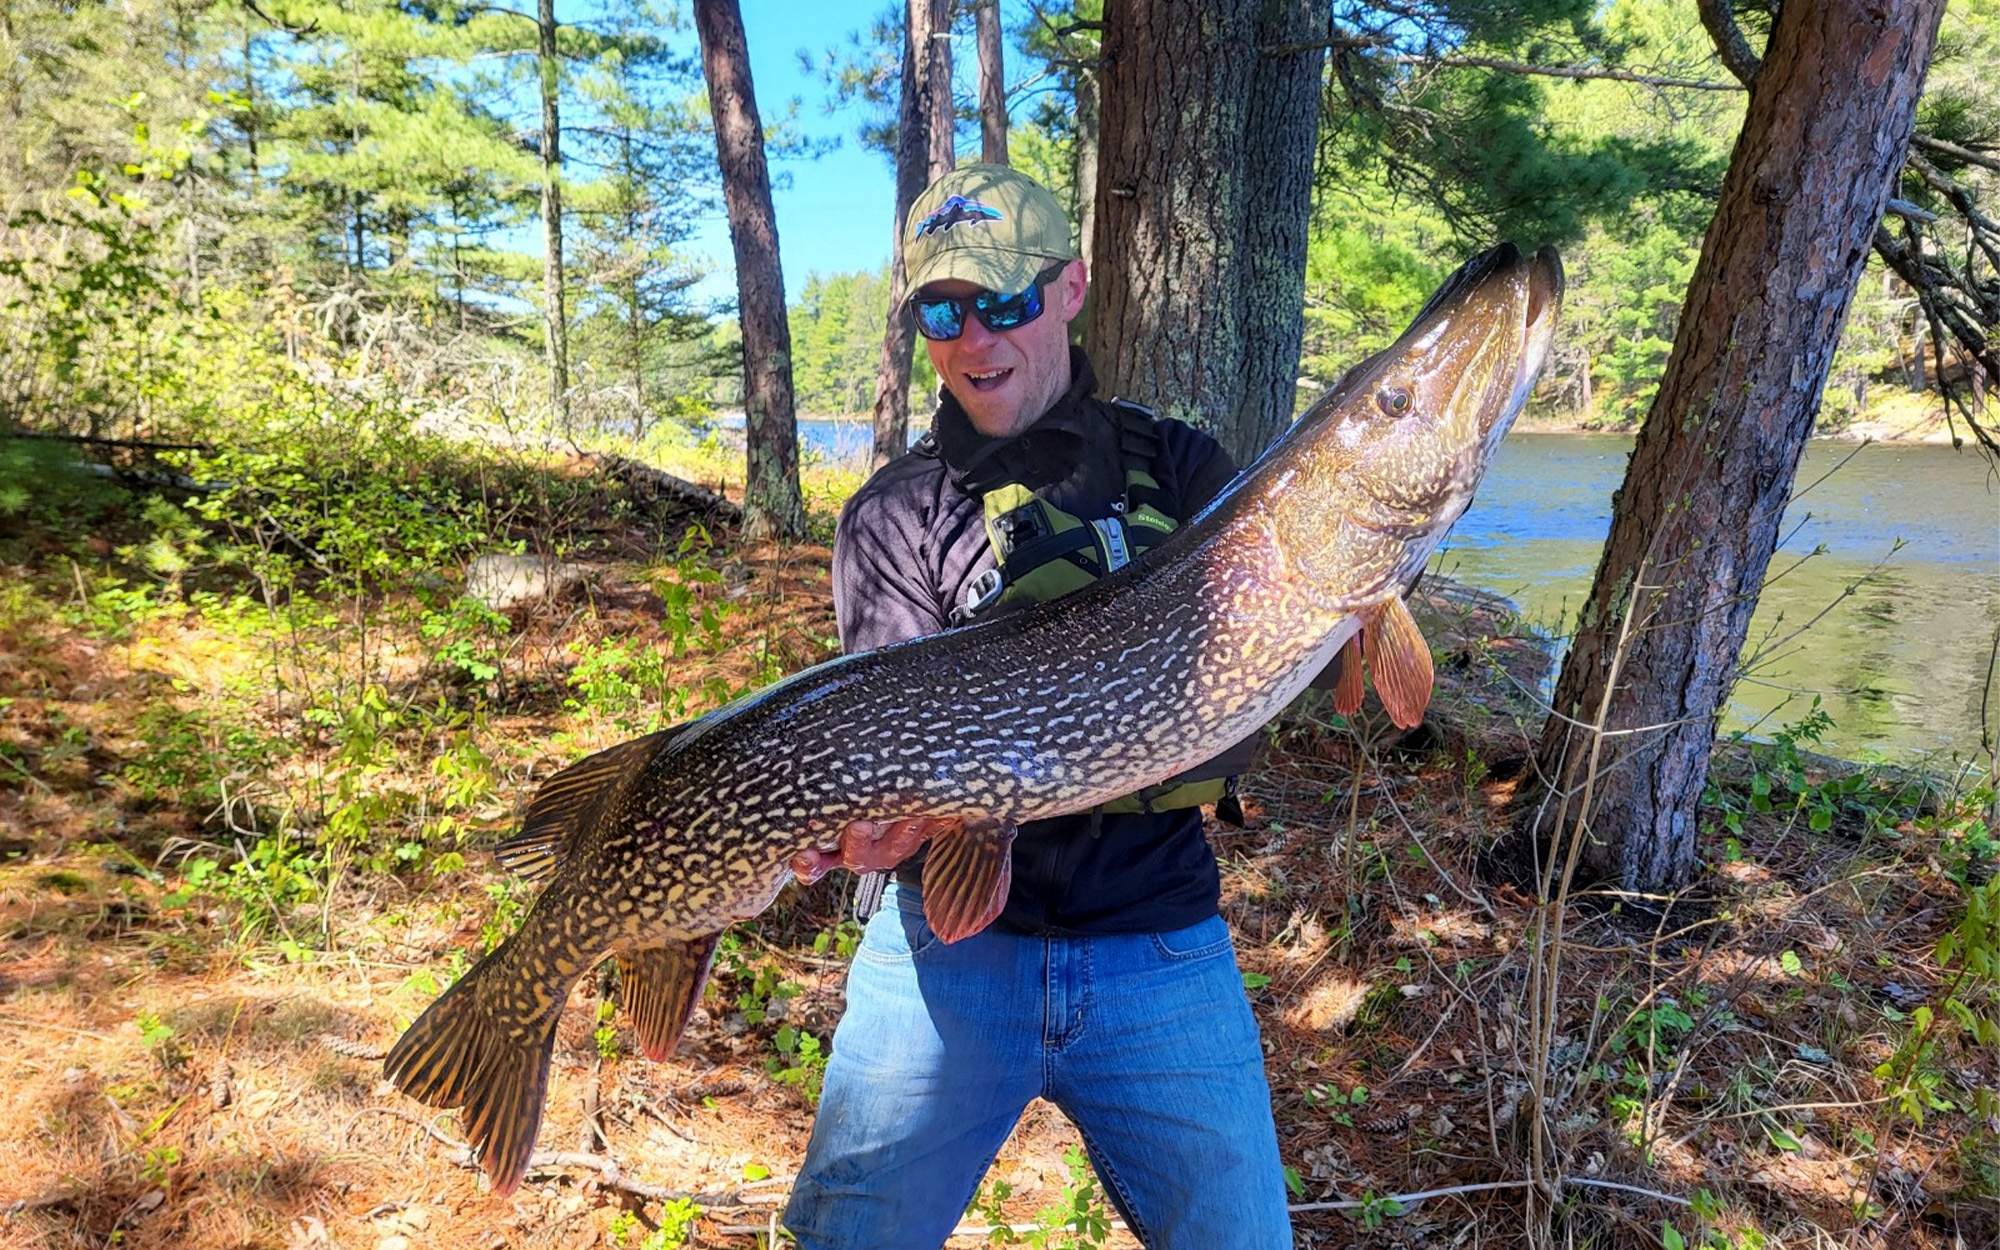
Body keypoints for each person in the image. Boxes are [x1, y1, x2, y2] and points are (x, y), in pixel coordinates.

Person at [781, 164, 1292, 1250]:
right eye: (940, 310)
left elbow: (1250, 706)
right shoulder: (894, 514)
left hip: (1157, 942)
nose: (974, 340)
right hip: (946, 954)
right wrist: (874, 830)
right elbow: (885, 763)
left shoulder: (1185, 469)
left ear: (1068, 289)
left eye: (1004, 301)